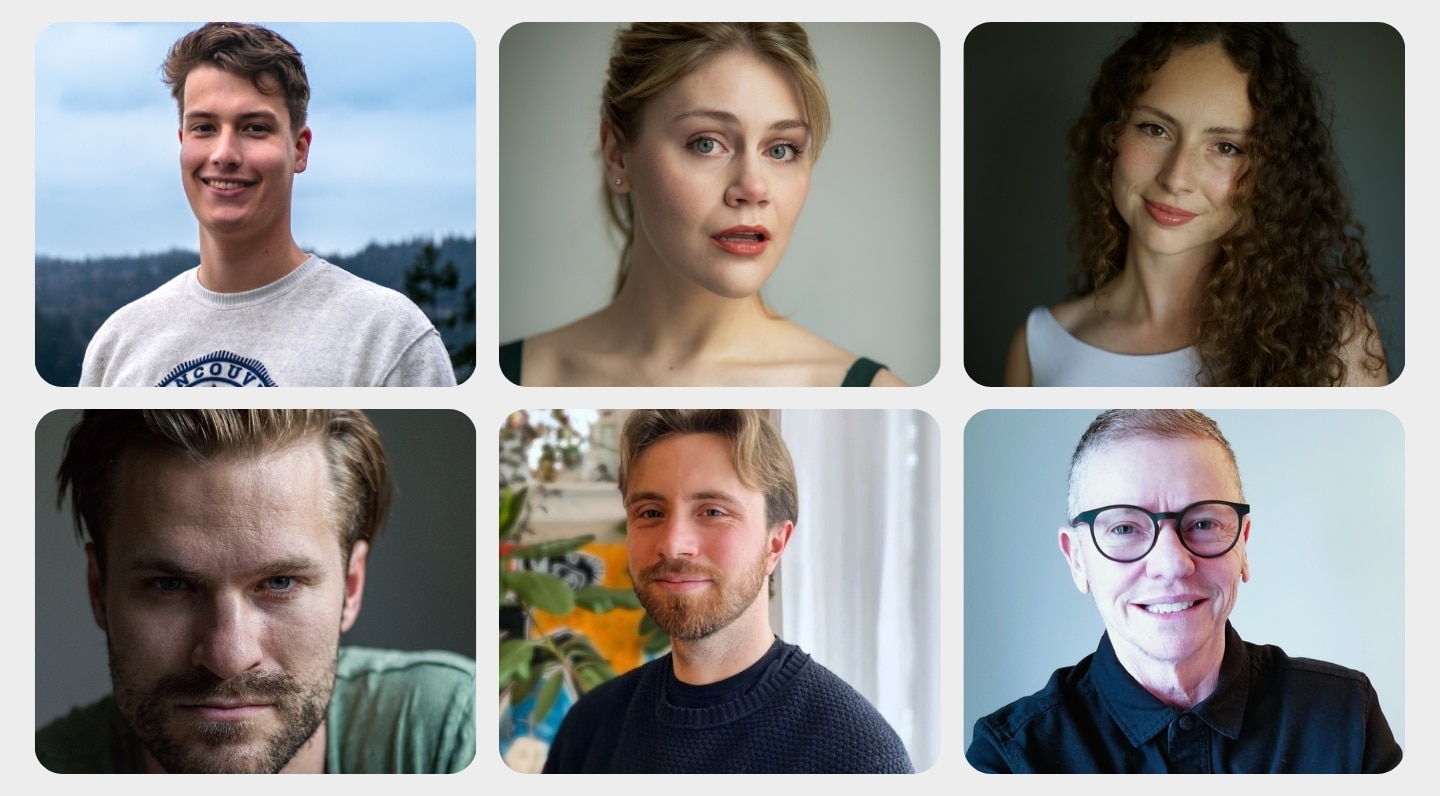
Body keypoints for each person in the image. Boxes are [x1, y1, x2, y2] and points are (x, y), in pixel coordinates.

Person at [36, 410, 476, 773]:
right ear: (99, 591)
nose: (228, 657)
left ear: (351, 587)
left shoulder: (455, 733)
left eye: (280, 583)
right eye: (170, 585)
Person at [966, 409, 1402, 773]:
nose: (1173, 564)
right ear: (1077, 559)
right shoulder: (1009, 759)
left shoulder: (1347, 717)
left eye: (1204, 523)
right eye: (1124, 528)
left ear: (1243, 544)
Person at [500, 23, 904, 387]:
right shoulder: (510, 376)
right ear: (618, 156)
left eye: (781, 149)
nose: (753, 187)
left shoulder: (876, 393)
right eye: (706, 144)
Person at [1003, 23, 1388, 387]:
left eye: (1226, 147)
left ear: (1273, 174)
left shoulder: (1332, 334)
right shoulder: (1039, 346)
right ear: (1112, 134)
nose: (1176, 178)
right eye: (1155, 129)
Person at [79, 22, 456, 387]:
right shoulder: (118, 346)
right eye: (204, 128)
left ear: (299, 149)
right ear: (183, 142)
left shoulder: (389, 339)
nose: (224, 154)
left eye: (255, 128)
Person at [541, 409, 913, 772]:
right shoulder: (588, 730)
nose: (673, 544)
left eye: (713, 512)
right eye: (651, 512)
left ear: (775, 544)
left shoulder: (860, 760)